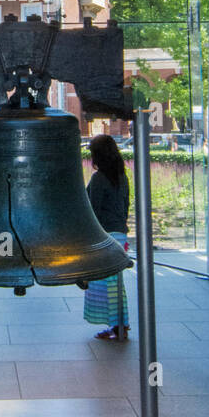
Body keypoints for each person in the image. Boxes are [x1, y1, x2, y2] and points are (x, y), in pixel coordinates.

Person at [83, 134, 131, 341]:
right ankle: (119, 324)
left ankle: (119, 325)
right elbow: (126, 207)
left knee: (107, 286)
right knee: (115, 285)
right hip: (119, 235)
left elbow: (92, 210)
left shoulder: (99, 178)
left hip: (104, 236)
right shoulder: (121, 177)